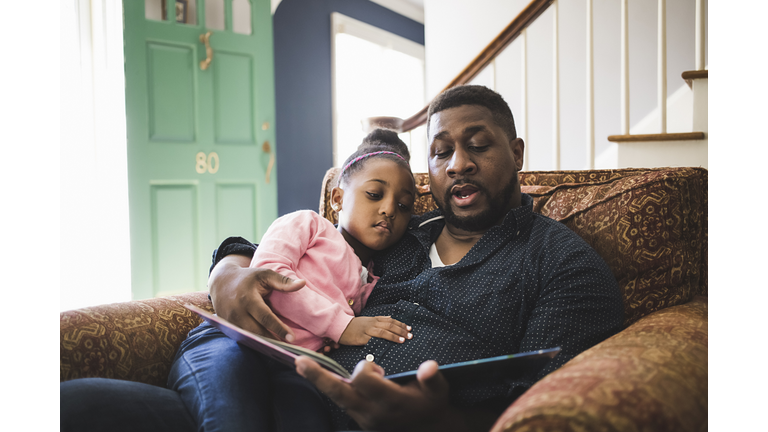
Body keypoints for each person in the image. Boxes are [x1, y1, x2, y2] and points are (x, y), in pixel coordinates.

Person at [61, 85, 624, 432]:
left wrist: (443, 424)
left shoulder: (558, 262)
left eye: (478, 145)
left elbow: (547, 405)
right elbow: (303, 240)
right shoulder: (402, 232)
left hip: (335, 417)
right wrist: (228, 270)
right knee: (71, 406)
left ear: (516, 152)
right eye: (441, 152)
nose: (458, 164)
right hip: (277, 389)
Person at [250, 129, 416, 352]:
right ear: (338, 199)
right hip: (239, 343)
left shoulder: (374, 281)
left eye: (403, 205)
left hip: (293, 364)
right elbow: (268, 276)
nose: (389, 210)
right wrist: (341, 326)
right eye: (375, 194)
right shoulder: (307, 224)